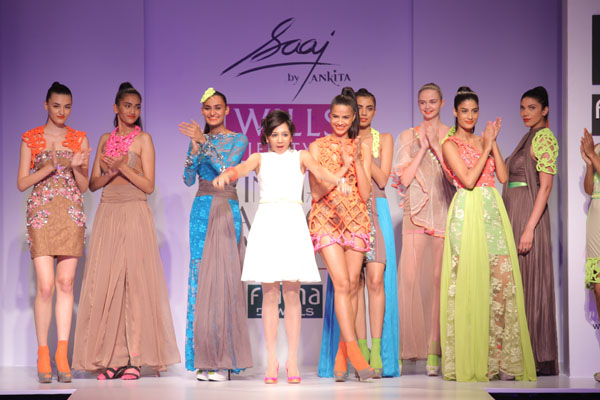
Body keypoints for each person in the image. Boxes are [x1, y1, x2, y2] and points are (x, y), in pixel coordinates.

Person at [213, 110, 350, 384]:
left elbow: (321, 173)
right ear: (266, 136)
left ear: (291, 135)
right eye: (274, 134)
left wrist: (340, 178)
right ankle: (272, 360)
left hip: (292, 223)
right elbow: (241, 168)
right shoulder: (259, 158)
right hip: (267, 225)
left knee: (292, 293)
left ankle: (292, 360)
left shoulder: (300, 156)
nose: (280, 139)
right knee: (269, 294)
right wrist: (227, 175)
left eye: (285, 134)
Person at [73, 82, 180, 380]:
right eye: (127, 105)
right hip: (108, 211)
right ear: (116, 108)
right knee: (109, 286)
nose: (132, 111)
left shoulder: (144, 139)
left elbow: (148, 185)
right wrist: (110, 171)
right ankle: (113, 359)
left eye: (137, 107)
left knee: (134, 286)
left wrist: (123, 166)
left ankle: (135, 358)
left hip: (134, 211)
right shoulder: (104, 139)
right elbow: (93, 185)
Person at [440, 86, 536, 382]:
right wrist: (486, 146)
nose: (470, 116)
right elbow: (468, 180)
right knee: (470, 285)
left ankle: (499, 358)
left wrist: (491, 143)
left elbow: (504, 177)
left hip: (492, 210)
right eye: (464, 111)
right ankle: (472, 358)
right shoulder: (449, 144)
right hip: (467, 211)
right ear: (455, 112)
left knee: (502, 284)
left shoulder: (485, 139)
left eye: (474, 111)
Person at [18, 82, 91, 383]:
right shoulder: (31, 138)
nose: (62, 112)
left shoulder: (79, 138)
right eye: (57, 105)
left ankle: (62, 354)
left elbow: (84, 187)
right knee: (46, 286)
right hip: (41, 214)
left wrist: (75, 166)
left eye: (67, 106)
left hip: (71, 213)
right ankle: (42, 352)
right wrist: (49, 167)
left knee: (66, 283)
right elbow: (22, 182)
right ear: (46, 104)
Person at [179, 87, 252, 382]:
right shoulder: (199, 139)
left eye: (217, 107)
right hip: (201, 209)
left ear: (227, 110)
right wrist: (195, 148)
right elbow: (187, 179)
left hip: (225, 208)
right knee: (199, 279)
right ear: (202, 111)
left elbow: (226, 168)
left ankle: (223, 360)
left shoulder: (239, 139)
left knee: (224, 280)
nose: (212, 113)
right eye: (207, 108)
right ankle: (203, 357)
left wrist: (203, 142)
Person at [310, 87, 375, 382]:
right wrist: (341, 171)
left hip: (356, 219)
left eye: (345, 117)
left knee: (351, 285)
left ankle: (341, 356)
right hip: (326, 217)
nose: (339, 122)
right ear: (330, 116)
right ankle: (357, 357)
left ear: (353, 119)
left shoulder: (362, 146)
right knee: (339, 283)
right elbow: (316, 192)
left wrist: (357, 160)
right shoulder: (317, 147)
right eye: (335, 116)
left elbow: (365, 193)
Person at [392, 83, 455, 376]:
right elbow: (404, 179)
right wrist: (424, 148)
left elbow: (456, 178)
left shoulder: (452, 136)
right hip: (415, 212)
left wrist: (438, 148)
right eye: (422, 102)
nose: (427, 106)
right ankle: (408, 349)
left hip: (443, 209)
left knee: (437, 281)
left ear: (442, 103)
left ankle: (433, 350)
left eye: (432, 101)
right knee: (409, 281)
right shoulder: (407, 136)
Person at [502, 86, 559, 375]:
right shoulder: (529, 136)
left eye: (532, 107)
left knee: (529, 283)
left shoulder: (545, 137)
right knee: (516, 285)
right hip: (515, 212)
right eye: (523, 108)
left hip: (528, 216)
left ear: (545, 110)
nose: (525, 113)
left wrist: (529, 228)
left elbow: (545, 187)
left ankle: (534, 357)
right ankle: (517, 355)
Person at [349, 88, 399, 378]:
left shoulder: (385, 139)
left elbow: (382, 179)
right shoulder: (345, 138)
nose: (364, 113)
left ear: (375, 111)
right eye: (359, 107)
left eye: (369, 107)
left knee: (376, 279)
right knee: (354, 283)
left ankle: (378, 350)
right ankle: (362, 352)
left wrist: (363, 156)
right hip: (352, 209)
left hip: (376, 209)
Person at [580, 127, 600, 383]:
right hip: (596, 218)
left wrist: (592, 156)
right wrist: (588, 162)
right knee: (598, 289)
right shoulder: (597, 149)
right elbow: (589, 188)